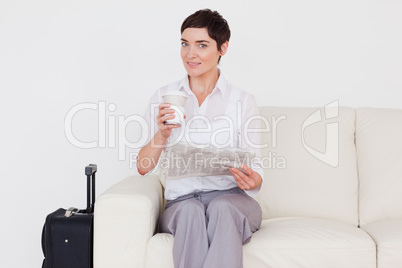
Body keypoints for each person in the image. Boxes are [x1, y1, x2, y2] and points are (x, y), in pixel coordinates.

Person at [135, 9, 264, 268]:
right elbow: (143, 167)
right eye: (185, 44)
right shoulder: (163, 96)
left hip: (232, 199)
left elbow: (256, 170)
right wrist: (162, 133)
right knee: (192, 212)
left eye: (201, 45)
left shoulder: (242, 101)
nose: (190, 54)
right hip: (182, 203)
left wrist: (252, 180)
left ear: (222, 48)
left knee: (222, 208)